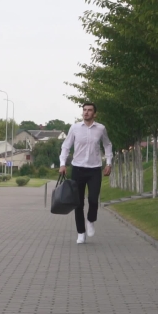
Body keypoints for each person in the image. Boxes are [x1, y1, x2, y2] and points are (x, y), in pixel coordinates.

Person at [59, 102, 113, 244]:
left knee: (93, 199)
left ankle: (90, 220)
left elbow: (107, 145)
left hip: (94, 169)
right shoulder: (75, 128)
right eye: (84, 110)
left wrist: (109, 163)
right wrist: (62, 164)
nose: (86, 112)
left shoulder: (101, 129)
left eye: (89, 110)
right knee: (78, 203)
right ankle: (80, 232)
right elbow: (65, 146)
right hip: (77, 168)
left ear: (94, 114)